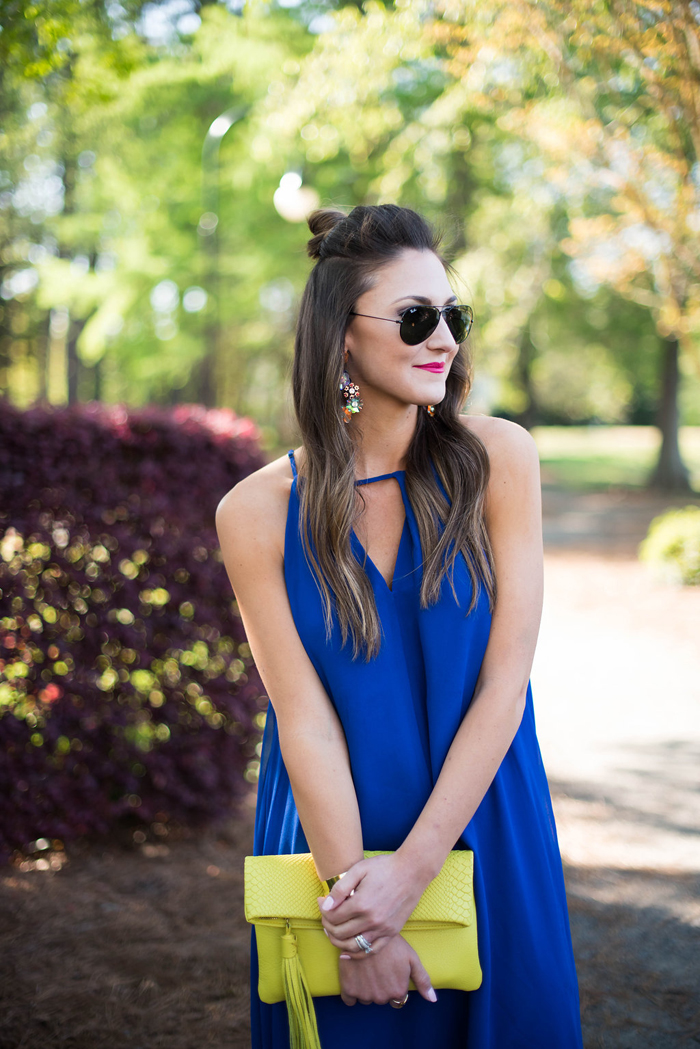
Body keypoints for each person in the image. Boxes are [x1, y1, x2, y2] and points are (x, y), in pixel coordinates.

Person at [215, 204, 584, 1048]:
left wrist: (410, 876)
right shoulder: (255, 511)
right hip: (330, 845)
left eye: (453, 316)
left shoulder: (499, 460)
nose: (444, 338)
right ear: (341, 336)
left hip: (483, 822)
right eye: (416, 317)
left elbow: (504, 684)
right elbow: (301, 719)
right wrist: (358, 908)